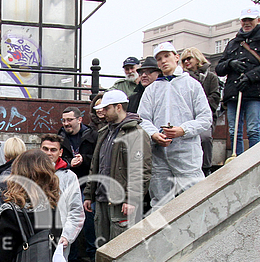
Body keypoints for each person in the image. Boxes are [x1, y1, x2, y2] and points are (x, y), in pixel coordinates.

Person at [138, 42, 212, 204]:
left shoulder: (192, 85)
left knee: (196, 197)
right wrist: (154, 134)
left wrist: (183, 130)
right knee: (160, 200)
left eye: (166, 56)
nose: (163, 61)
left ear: (176, 57)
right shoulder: (152, 89)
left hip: (186, 152)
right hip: (159, 153)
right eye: (159, 59)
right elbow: (142, 119)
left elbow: (205, 118)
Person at [83, 90, 151, 247]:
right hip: (102, 200)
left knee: (120, 248)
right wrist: (89, 194)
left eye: (106, 108)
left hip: (121, 203)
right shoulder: (105, 132)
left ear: (118, 107)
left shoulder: (136, 133)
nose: (102, 112)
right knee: (103, 247)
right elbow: (96, 164)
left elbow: (141, 170)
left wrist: (132, 198)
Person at [215, 8, 260, 156]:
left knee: (253, 129)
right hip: (233, 92)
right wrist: (231, 63)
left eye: (250, 19)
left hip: (254, 91)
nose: (247, 23)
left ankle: (254, 160)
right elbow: (219, 68)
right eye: (244, 20)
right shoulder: (233, 43)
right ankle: (236, 160)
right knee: (234, 131)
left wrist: (251, 76)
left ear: (258, 19)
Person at [40, 135, 84, 262]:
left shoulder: (69, 177)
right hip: (34, 238)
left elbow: (76, 211)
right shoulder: (31, 173)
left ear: (60, 152)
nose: (49, 153)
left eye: (53, 150)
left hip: (59, 240)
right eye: (45, 148)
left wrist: (66, 237)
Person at [58, 108, 97, 262]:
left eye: (69, 120)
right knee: (67, 220)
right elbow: (57, 158)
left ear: (79, 120)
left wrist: (84, 160)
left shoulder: (92, 135)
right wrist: (69, 162)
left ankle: (93, 256)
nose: (66, 123)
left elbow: (97, 158)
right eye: (64, 120)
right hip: (67, 181)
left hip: (87, 183)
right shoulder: (60, 137)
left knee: (88, 218)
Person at [180, 47, 222, 174]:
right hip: (187, 116)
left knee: (205, 137)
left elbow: (215, 97)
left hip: (205, 115)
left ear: (197, 58)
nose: (186, 62)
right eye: (184, 60)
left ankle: (206, 167)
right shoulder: (182, 78)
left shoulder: (210, 77)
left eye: (189, 58)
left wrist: (200, 105)